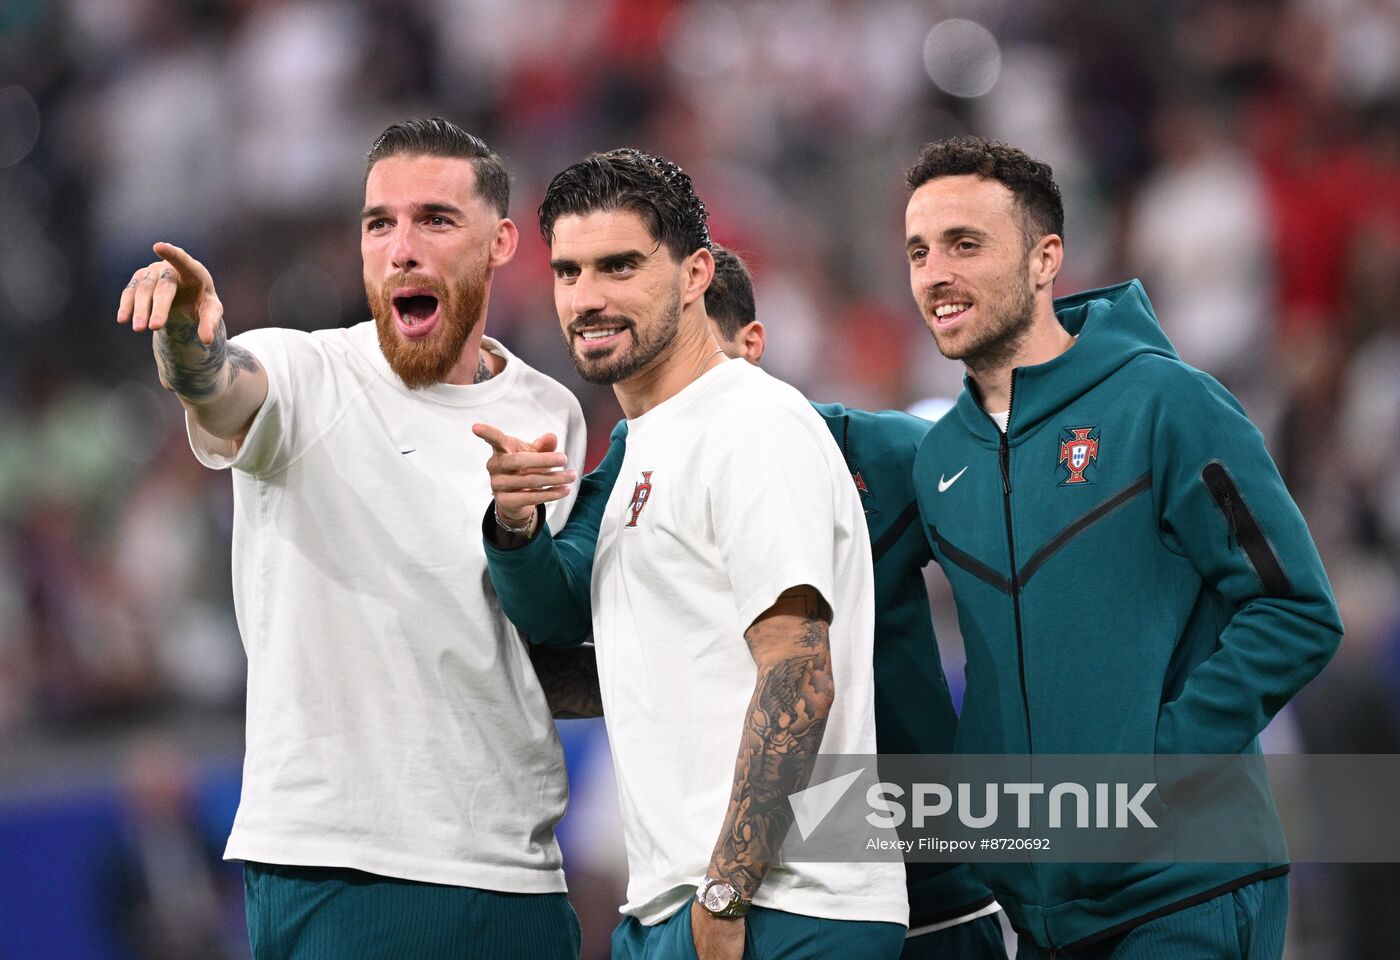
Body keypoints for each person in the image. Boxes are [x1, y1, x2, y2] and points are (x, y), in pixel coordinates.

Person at [115, 118, 586, 960]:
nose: (400, 247)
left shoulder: (551, 411)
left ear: (501, 241)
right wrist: (187, 341)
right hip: (343, 868)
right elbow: (221, 386)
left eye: (435, 219)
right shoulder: (305, 372)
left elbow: (532, 631)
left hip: (518, 869)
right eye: (379, 223)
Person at [481, 245, 1008, 959]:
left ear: (750, 347)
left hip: (925, 888)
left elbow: (1020, 546)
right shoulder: (633, 476)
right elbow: (586, 625)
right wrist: (512, 533)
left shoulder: (872, 450)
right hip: (735, 885)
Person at [903, 135, 1343, 958]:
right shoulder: (940, 460)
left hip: (1185, 890)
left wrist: (1155, 773)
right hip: (1040, 918)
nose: (935, 274)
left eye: (966, 244)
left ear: (1046, 259)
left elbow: (1295, 609)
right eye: (919, 252)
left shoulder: (1167, 402)